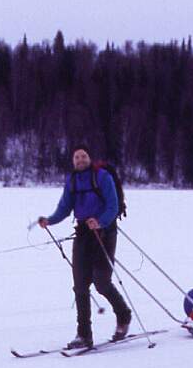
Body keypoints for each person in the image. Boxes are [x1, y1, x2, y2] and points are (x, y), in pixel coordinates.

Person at [37, 146, 131, 349]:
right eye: (76, 157)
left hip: (104, 233)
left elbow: (113, 206)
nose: (80, 159)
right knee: (80, 285)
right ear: (73, 161)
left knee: (102, 282)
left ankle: (124, 315)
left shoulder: (102, 177)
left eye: (83, 156)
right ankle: (84, 335)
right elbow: (64, 208)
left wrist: (100, 221)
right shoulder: (72, 180)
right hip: (82, 234)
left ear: (89, 158)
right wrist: (49, 220)